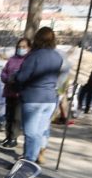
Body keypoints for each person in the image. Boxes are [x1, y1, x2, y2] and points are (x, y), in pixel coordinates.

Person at [15, 26, 62, 164]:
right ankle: (33, 157)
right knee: (40, 132)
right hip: (50, 98)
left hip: (34, 97)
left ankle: (28, 160)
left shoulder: (34, 56)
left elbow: (22, 77)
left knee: (30, 132)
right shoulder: (57, 56)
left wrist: (15, 77)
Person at [0, 37, 29, 146]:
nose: (21, 49)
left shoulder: (29, 60)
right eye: (19, 47)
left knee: (17, 117)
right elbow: (4, 72)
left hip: (20, 92)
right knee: (9, 115)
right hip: (9, 90)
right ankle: (8, 135)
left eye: (24, 47)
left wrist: (18, 79)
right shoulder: (12, 59)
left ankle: (13, 137)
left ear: (29, 48)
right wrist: (7, 78)